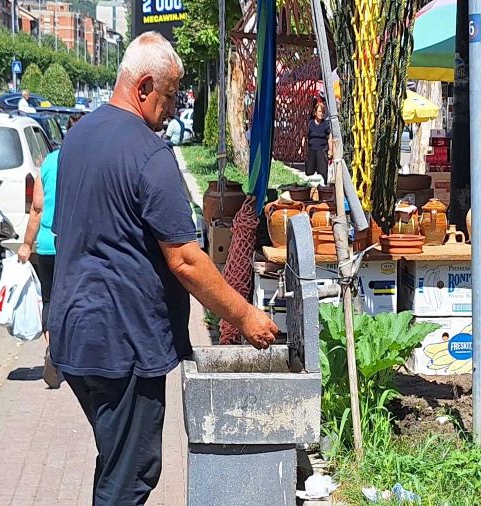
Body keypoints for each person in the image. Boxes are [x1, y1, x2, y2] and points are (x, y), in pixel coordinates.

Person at [48, 32, 278, 504]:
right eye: (171, 95)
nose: (173, 108)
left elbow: (68, 233)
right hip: (124, 345)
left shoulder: (77, 139)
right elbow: (188, 261)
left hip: (76, 336)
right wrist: (245, 316)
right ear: (145, 86)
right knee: (131, 477)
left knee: (116, 462)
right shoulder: (150, 155)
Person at [18, 115, 83, 388]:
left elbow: (37, 208)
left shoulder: (49, 161)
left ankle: (53, 350)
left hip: (46, 243)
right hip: (76, 244)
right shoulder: (88, 164)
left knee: (49, 300)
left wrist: (26, 244)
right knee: (76, 299)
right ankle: (70, 353)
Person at [303, 101, 333, 182]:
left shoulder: (326, 124)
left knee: (323, 173)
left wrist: (330, 150)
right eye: (319, 111)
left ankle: (322, 191)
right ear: (315, 112)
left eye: (323, 112)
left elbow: (330, 137)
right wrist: (302, 148)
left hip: (322, 150)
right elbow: (305, 136)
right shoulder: (310, 123)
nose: (321, 114)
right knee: (309, 173)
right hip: (311, 150)